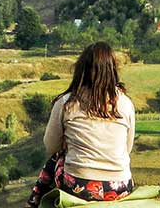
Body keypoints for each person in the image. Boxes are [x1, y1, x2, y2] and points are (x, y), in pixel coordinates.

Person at [27, 42, 135, 207]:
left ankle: (34, 201)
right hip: (121, 186)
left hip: (80, 186)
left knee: (56, 158)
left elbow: (51, 146)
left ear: (81, 69)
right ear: (113, 70)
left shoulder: (67, 103)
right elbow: (127, 149)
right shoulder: (126, 104)